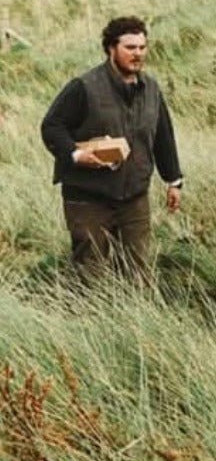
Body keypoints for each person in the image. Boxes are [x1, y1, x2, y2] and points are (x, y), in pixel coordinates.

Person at [40, 16, 183, 278]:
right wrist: (76, 154)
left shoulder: (151, 89)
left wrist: (173, 180)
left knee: (137, 274)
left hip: (135, 198)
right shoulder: (83, 87)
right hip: (88, 198)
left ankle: (131, 318)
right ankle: (86, 317)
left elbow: (163, 135)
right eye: (130, 47)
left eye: (142, 47)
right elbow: (52, 126)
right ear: (110, 48)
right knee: (90, 275)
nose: (137, 54)